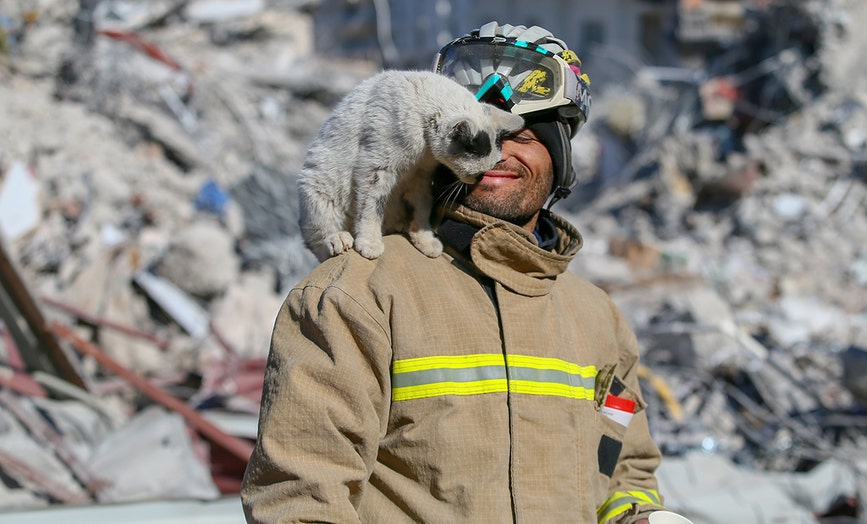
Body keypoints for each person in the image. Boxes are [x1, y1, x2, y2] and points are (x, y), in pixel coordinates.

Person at [241, 22, 674, 524]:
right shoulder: (357, 295)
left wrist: (639, 517)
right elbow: (300, 499)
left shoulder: (597, 318)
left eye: (526, 136)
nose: (500, 154)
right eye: (483, 136)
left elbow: (623, 470)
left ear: (560, 159)